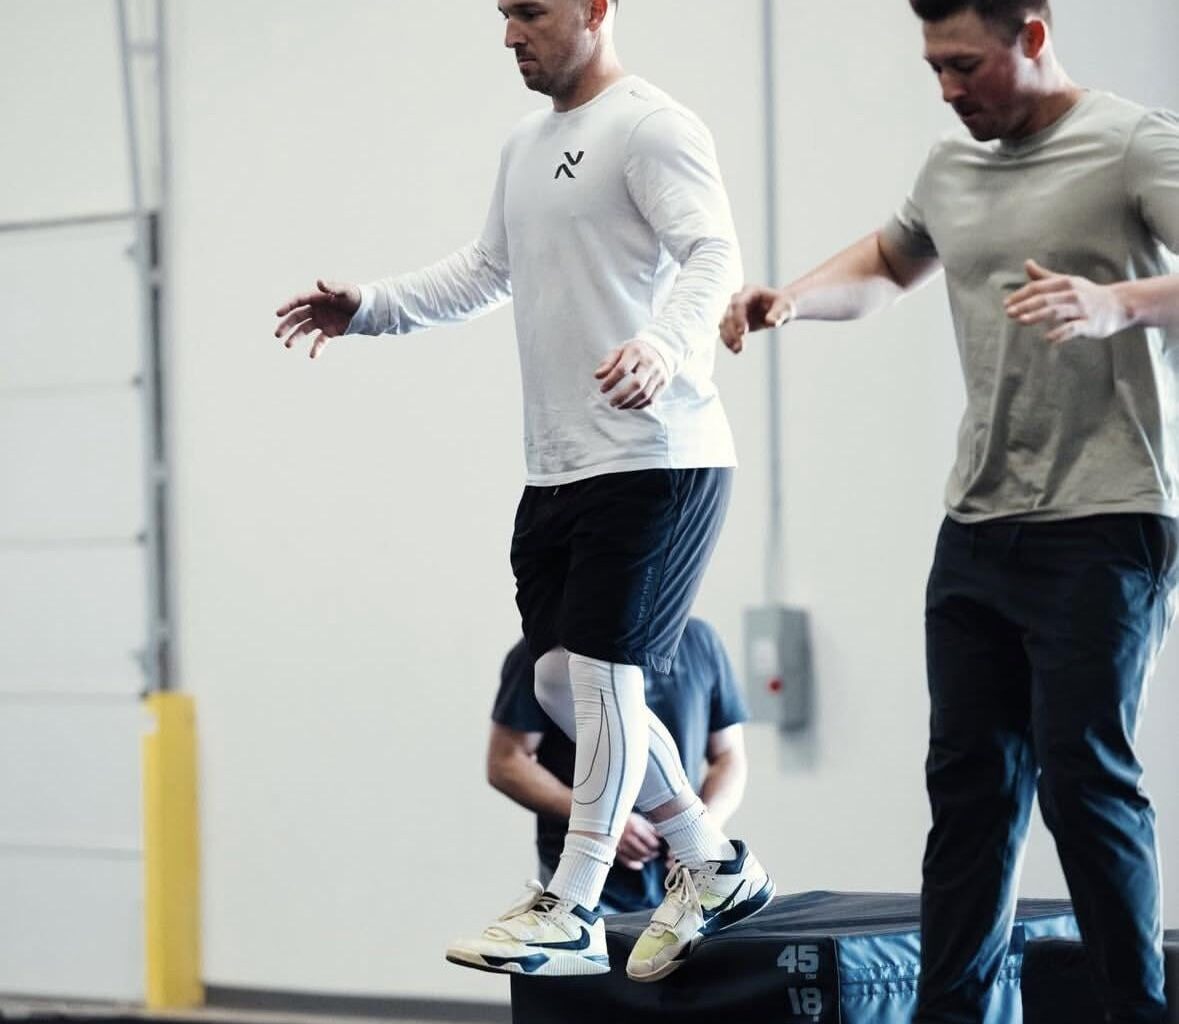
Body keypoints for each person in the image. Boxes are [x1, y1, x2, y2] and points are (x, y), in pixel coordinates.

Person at [275, 0, 773, 983]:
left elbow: (714, 252)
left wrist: (664, 348)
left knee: (600, 674)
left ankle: (574, 903)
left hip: (657, 453)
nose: (510, 35)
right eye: (504, 15)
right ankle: (711, 864)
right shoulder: (525, 146)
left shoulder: (653, 125)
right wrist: (369, 308)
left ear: (594, 9)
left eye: (531, 13)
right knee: (556, 681)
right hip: (558, 467)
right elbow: (486, 270)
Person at [721, 2, 1179, 1021]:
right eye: (934, 68)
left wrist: (1120, 303)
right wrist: (790, 297)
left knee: (1084, 786)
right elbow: (888, 262)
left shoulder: (1130, 144)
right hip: (976, 526)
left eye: (966, 65)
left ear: (1034, 32)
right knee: (969, 796)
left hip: (1106, 518)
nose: (948, 90)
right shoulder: (950, 168)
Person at [489, 618, 749, 916]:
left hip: (683, 884)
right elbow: (506, 761)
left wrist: (700, 833)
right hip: (587, 884)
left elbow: (728, 755)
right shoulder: (546, 650)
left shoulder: (700, 641)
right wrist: (609, 823)